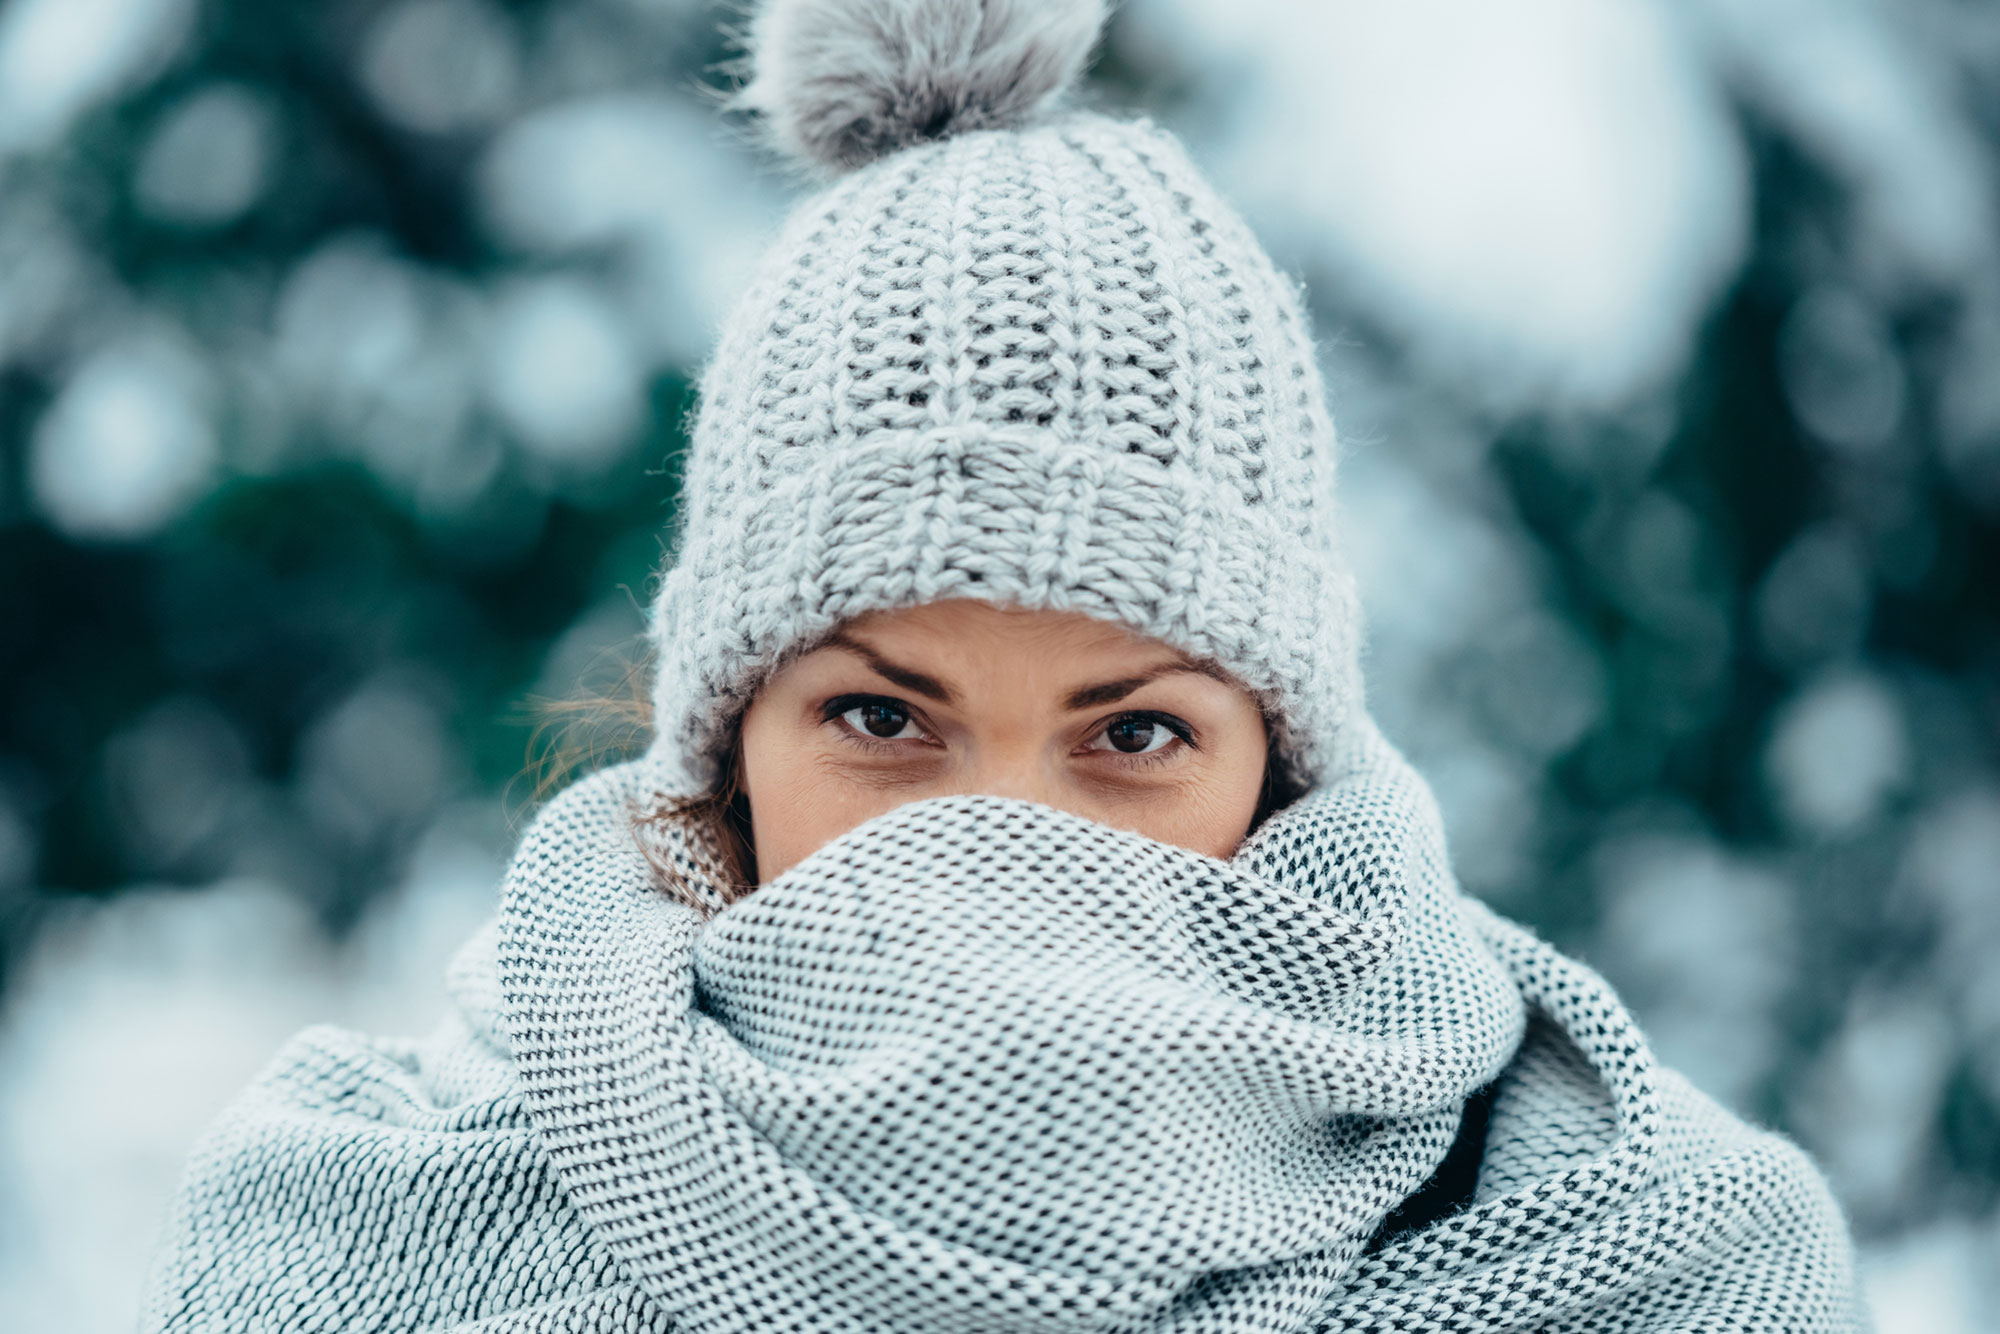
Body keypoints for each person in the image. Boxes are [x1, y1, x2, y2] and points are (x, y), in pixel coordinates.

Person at [141, 1, 1872, 1329]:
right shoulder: (367, 1242)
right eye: (883, 716)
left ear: (1281, 761)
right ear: (727, 743)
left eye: (1131, 731)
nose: (998, 835)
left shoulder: (1647, 1260)